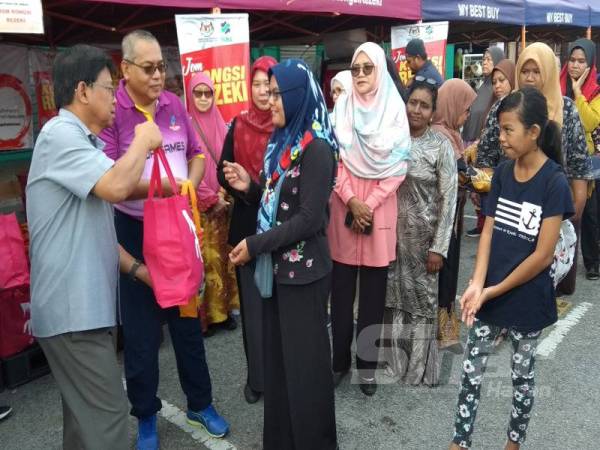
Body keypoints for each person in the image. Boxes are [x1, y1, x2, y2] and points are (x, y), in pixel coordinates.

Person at [27, 44, 161, 450]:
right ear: (83, 91)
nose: (115, 99)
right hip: (74, 314)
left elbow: (101, 220)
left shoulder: (81, 143)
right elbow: (119, 186)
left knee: (84, 430)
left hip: (80, 313)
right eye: (109, 88)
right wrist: (143, 138)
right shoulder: (61, 135)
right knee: (107, 424)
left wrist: (139, 270)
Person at [99, 30, 229, 449]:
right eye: (149, 68)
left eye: (162, 67)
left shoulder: (174, 104)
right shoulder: (113, 112)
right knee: (140, 337)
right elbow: (109, 181)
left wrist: (187, 187)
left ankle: (200, 403)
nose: (158, 76)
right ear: (126, 69)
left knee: (187, 325)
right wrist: (163, 189)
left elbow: (194, 152)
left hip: (176, 226)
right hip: (134, 230)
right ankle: (146, 417)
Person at [449, 87, 574, 450]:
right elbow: (487, 231)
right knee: (471, 372)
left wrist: (493, 289)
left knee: (522, 376)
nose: (500, 138)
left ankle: (513, 443)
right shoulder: (502, 173)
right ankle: (460, 441)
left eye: (508, 130)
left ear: (534, 132)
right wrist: (476, 283)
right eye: (499, 129)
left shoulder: (554, 183)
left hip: (527, 300)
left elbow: (542, 256)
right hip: (489, 294)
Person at [224, 58, 338, 450]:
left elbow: (309, 219)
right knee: (281, 367)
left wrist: (255, 245)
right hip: (280, 274)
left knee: (306, 372)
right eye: (267, 93)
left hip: (305, 277)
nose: (269, 101)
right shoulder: (284, 142)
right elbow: (279, 204)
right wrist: (252, 188)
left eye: (276, 94)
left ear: (295, 97)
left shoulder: (317, 148)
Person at [477, 42, 592, 296]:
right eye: (524, 71)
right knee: (503, 284)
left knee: (541, 291)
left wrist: (570, 219)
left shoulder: (567, 110)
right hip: (509, 215)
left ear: (549, 72)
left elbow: (578, 167)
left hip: (552, 214)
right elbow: (486, 157)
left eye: (536, 71)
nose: (529, 77)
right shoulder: (503, 107)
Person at [329, 42, 411, 396]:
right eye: (356, 68)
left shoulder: (395, 111)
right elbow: (333, 161)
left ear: (379, 70)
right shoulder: (341, 109)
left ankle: (366, 369)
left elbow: (398, 167)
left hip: (377, 214)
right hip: (344, 211)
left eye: (368, 68)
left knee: (373, 302)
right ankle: (339, 363)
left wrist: (368, 204)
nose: (360, 75)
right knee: (341, 297)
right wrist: (350, 200)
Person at [384, 79, 457, 386]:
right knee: (394, 299)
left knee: (422, 303)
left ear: (433, 112)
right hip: (390, 239)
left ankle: (420, 372)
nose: (416, 109)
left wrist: (439, 248)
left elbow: (450, 198)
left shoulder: (441, 146)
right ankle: (393, 366)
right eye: (412, 102)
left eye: (423, 105)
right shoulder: (393, 138)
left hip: (423, 242)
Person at [217, 55, 277, 404]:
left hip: (281, 227)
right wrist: (236, 183)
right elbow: (219, 172)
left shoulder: (286, 124)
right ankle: (257, 379)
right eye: (255, 84)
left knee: (279, 306)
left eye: (268, 84)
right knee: (253, 308)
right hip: (245, 225)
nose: (262, 91)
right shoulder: (237, 124)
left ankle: (281, 372)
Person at [187, 72, 240, 334]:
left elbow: (228, 161)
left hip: (223, 204)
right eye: (198, 93)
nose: (204, 98)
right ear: (190, 95)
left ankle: (225, 313)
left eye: (208, 93)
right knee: (204, 262)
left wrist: (221, 192)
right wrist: (209, 197)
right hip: (199, 208)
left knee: (225, 260)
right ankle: (205, 318)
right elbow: (187, 168)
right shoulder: (186, 125)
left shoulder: (222, 125)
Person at [431, 79, 476, 351]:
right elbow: (452, 178)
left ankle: (446, 330)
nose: (468, 114)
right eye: (466, 108)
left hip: (453, 218)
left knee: (448, 277)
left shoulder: (451, 133)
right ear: (452, 104)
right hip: (440, 221)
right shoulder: (441, 136)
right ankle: (444, 333)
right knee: (443, 278)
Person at [560, 38, 600, 280]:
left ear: (590, 64)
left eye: (581, 61)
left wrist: (577, 93)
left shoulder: (595, 91)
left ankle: (593, 263)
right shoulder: (556, 84)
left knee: (589, 215)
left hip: (586, 164)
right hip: (558, 159)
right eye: (572, 60)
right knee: (562, 215)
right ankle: (563, 267)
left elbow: (588, 121)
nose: (575, 65)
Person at [467, 58, 516, 237]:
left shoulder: (512, 106)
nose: (497, 85)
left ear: (512, 78)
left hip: (499, 172)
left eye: (502, 80)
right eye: (494, 81)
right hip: (489, 172)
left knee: (497, 223)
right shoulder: (498, 103)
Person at [462, 47, 504, 237]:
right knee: (476, 187)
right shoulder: (484, 86)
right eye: (484, 59)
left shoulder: (498, 91)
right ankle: (481, 223)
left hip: (486, 144)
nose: (485, 62)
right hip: (473, 142)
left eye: (489, 59)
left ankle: (484, 224)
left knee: (484, 186)